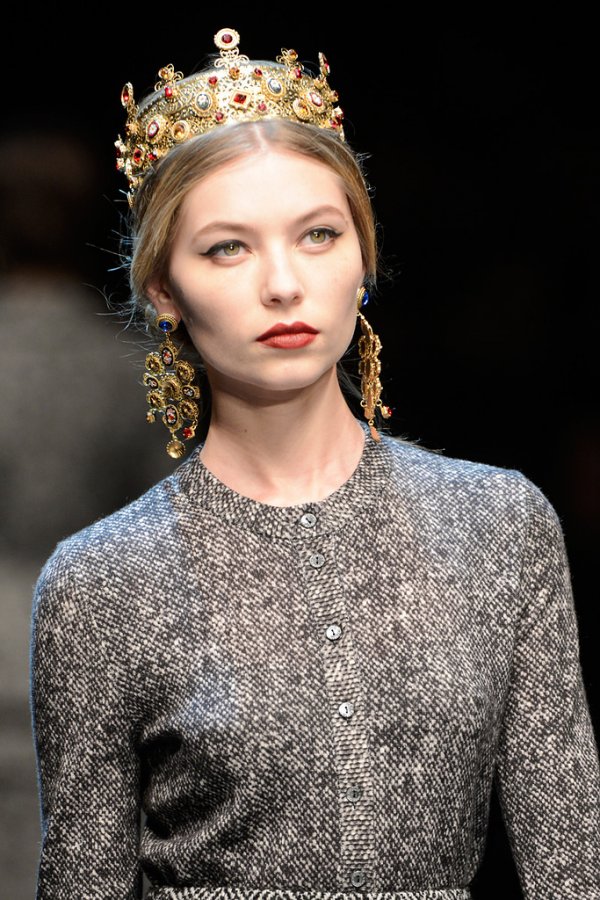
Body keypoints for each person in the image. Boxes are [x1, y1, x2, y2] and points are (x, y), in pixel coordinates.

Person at [29, 26, 600, 900]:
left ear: (364, 260)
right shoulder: (101, 584)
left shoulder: (499, 527)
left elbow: (571, 868)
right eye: (228, 247)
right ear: (164, 289)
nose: (283, 284)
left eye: (319, 235)